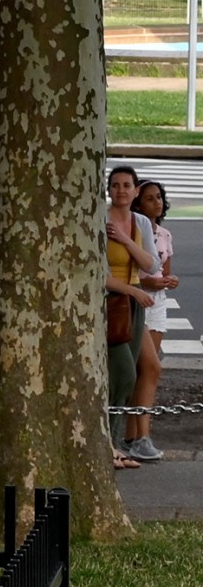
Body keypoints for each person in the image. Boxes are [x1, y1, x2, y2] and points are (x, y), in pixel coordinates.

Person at [104, 164, 164, 466]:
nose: (121, 191)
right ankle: (109, 444)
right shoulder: (100, 220)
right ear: (109, 189)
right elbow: (98, 275)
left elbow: (152, 265)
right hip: (110, 303)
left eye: (127, 185)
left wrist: (127, 240)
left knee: (129, 377)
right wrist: (133, 292)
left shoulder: (139, 222)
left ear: (135, 191)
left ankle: (114, 444)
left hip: (134, 304)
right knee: (122, 373)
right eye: (115, 185)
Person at [135, 178, 180, 462]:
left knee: (146, 371)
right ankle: (139, 436)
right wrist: (153, 282)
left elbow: (164, 271)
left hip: (158, 304)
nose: (157, 202)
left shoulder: (164, 234)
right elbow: (137, 273)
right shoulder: (134, 229)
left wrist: (168, 281)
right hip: (138, 300)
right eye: (150, 198)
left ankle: (139, 433)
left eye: (159, 197)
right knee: (148, 368)